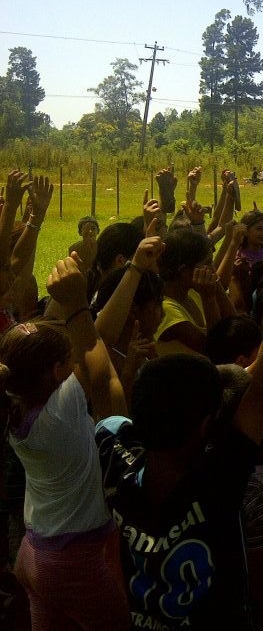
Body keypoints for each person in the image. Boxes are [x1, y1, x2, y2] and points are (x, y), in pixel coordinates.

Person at [96, 245, 263, 629]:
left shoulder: (114, 456)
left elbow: (101, 371)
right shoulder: (217, 482)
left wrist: (76, 309)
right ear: (205, 425)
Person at [4, 255, 129, 630]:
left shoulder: (13, 407)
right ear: (59, 371)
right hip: (73, 560)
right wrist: (76, 303)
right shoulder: (59, 412)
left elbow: (89, 344)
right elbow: (98, 361)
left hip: (33, 553)